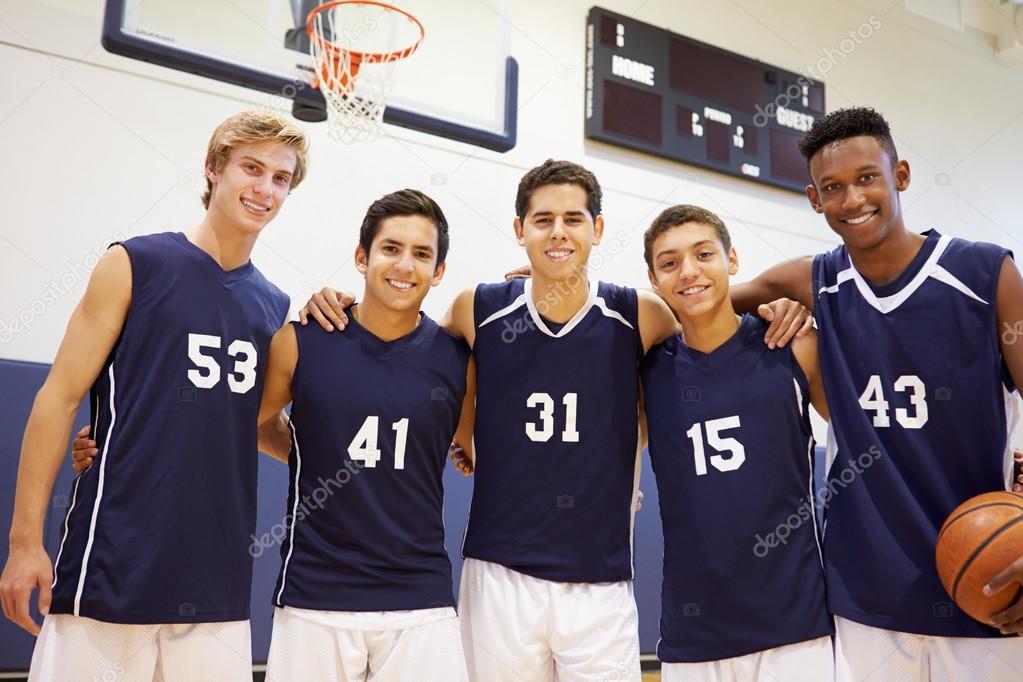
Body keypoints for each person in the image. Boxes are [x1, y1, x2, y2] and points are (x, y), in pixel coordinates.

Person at [300, 160, 811, 681]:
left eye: (573, 218)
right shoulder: (478, 308)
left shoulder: (641, 314)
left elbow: (708, 316)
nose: (558, 232)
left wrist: (771, 304)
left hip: (602, 580)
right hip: (498, 574)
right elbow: (411, 355)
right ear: (520, 230)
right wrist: (337, 304)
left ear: (598, 230)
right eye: (542, 220)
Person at [0, 111, 306, 681]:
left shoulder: (273, 305)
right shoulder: (136, 263)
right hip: (115, 557)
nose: (265, 189)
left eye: (282, 178)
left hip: (217, 574)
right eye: (252, 168)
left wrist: (336, 447)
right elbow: (58, 398)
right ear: (214, 169)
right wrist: (24, 544)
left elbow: (252, 423)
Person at [730, 106, 1023, 680]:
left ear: (901, 176)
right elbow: (695, 305)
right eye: (832, 188)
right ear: (815, 199)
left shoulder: (985, 274)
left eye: (867, 178)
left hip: (989, 577)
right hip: (868, 591)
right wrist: (565, 290)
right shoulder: (814, 281)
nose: (852, 199)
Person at [254, 189, 473, 681]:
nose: (404, 265)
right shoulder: (301, 341)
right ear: (362, 257)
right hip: (315, 595)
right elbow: (245, 421)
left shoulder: (458, 361)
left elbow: (484, 449)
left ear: (438, 272)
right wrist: (305, 454)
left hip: (420, 598)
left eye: (422, 254)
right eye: (390, 248)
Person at [640, 204, 833, 681]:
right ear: (653, 280)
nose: (688, 271)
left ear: (732, 259)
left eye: (704, 254)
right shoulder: (645, 370)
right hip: (694, 633)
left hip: (798, 625)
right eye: (669, 263)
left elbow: (872, 436)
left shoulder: (793, 344)